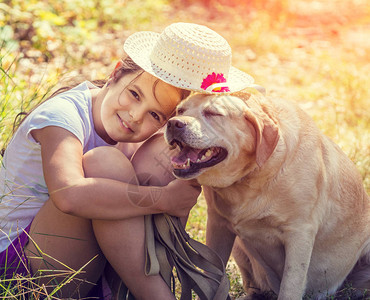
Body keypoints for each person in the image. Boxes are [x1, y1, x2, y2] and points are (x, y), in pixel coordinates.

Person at [0, 22, 257, 299]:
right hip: (23, 270)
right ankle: (154, 295)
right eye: (134, 94)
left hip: (86, 266)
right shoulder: (62, 117)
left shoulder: (136, 132)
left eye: (156, 115)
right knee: (104, 163)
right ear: (115, 73)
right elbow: (68, 195)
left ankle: (133, 287)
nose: (135, 116)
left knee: (165, 151)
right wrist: (163, 199)